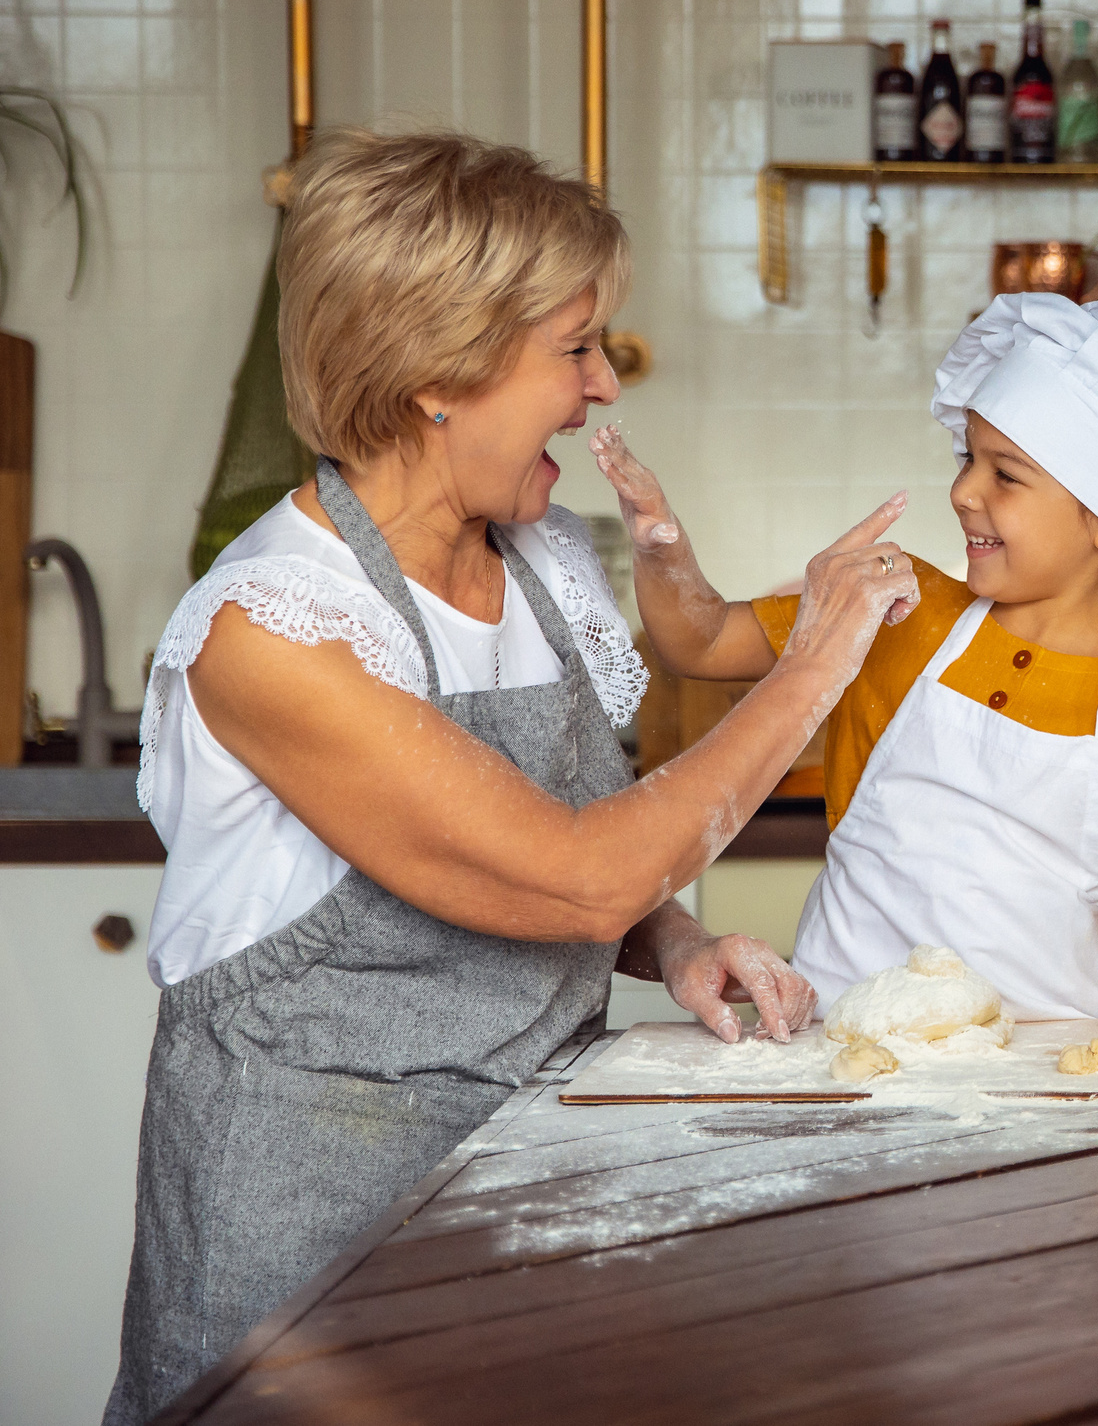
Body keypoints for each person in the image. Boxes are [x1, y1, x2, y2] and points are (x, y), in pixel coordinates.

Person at [107, 130, 920, 1423]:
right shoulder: (273, 628)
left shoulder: (543, 565)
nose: (602, 387)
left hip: (519, 1193)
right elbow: (577, 876)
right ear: (439, 372)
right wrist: (817, 661)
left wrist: (674, 939)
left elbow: (558, 853)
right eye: (574, 347)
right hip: (304, 1246)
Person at [603, 293, 1098, 1019]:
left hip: (1053, 1059)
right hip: (852, 1041)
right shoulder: (900, 608)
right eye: (968, 458)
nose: (962, 491)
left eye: (1006, 474)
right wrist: (662, 547)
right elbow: (702, 639)